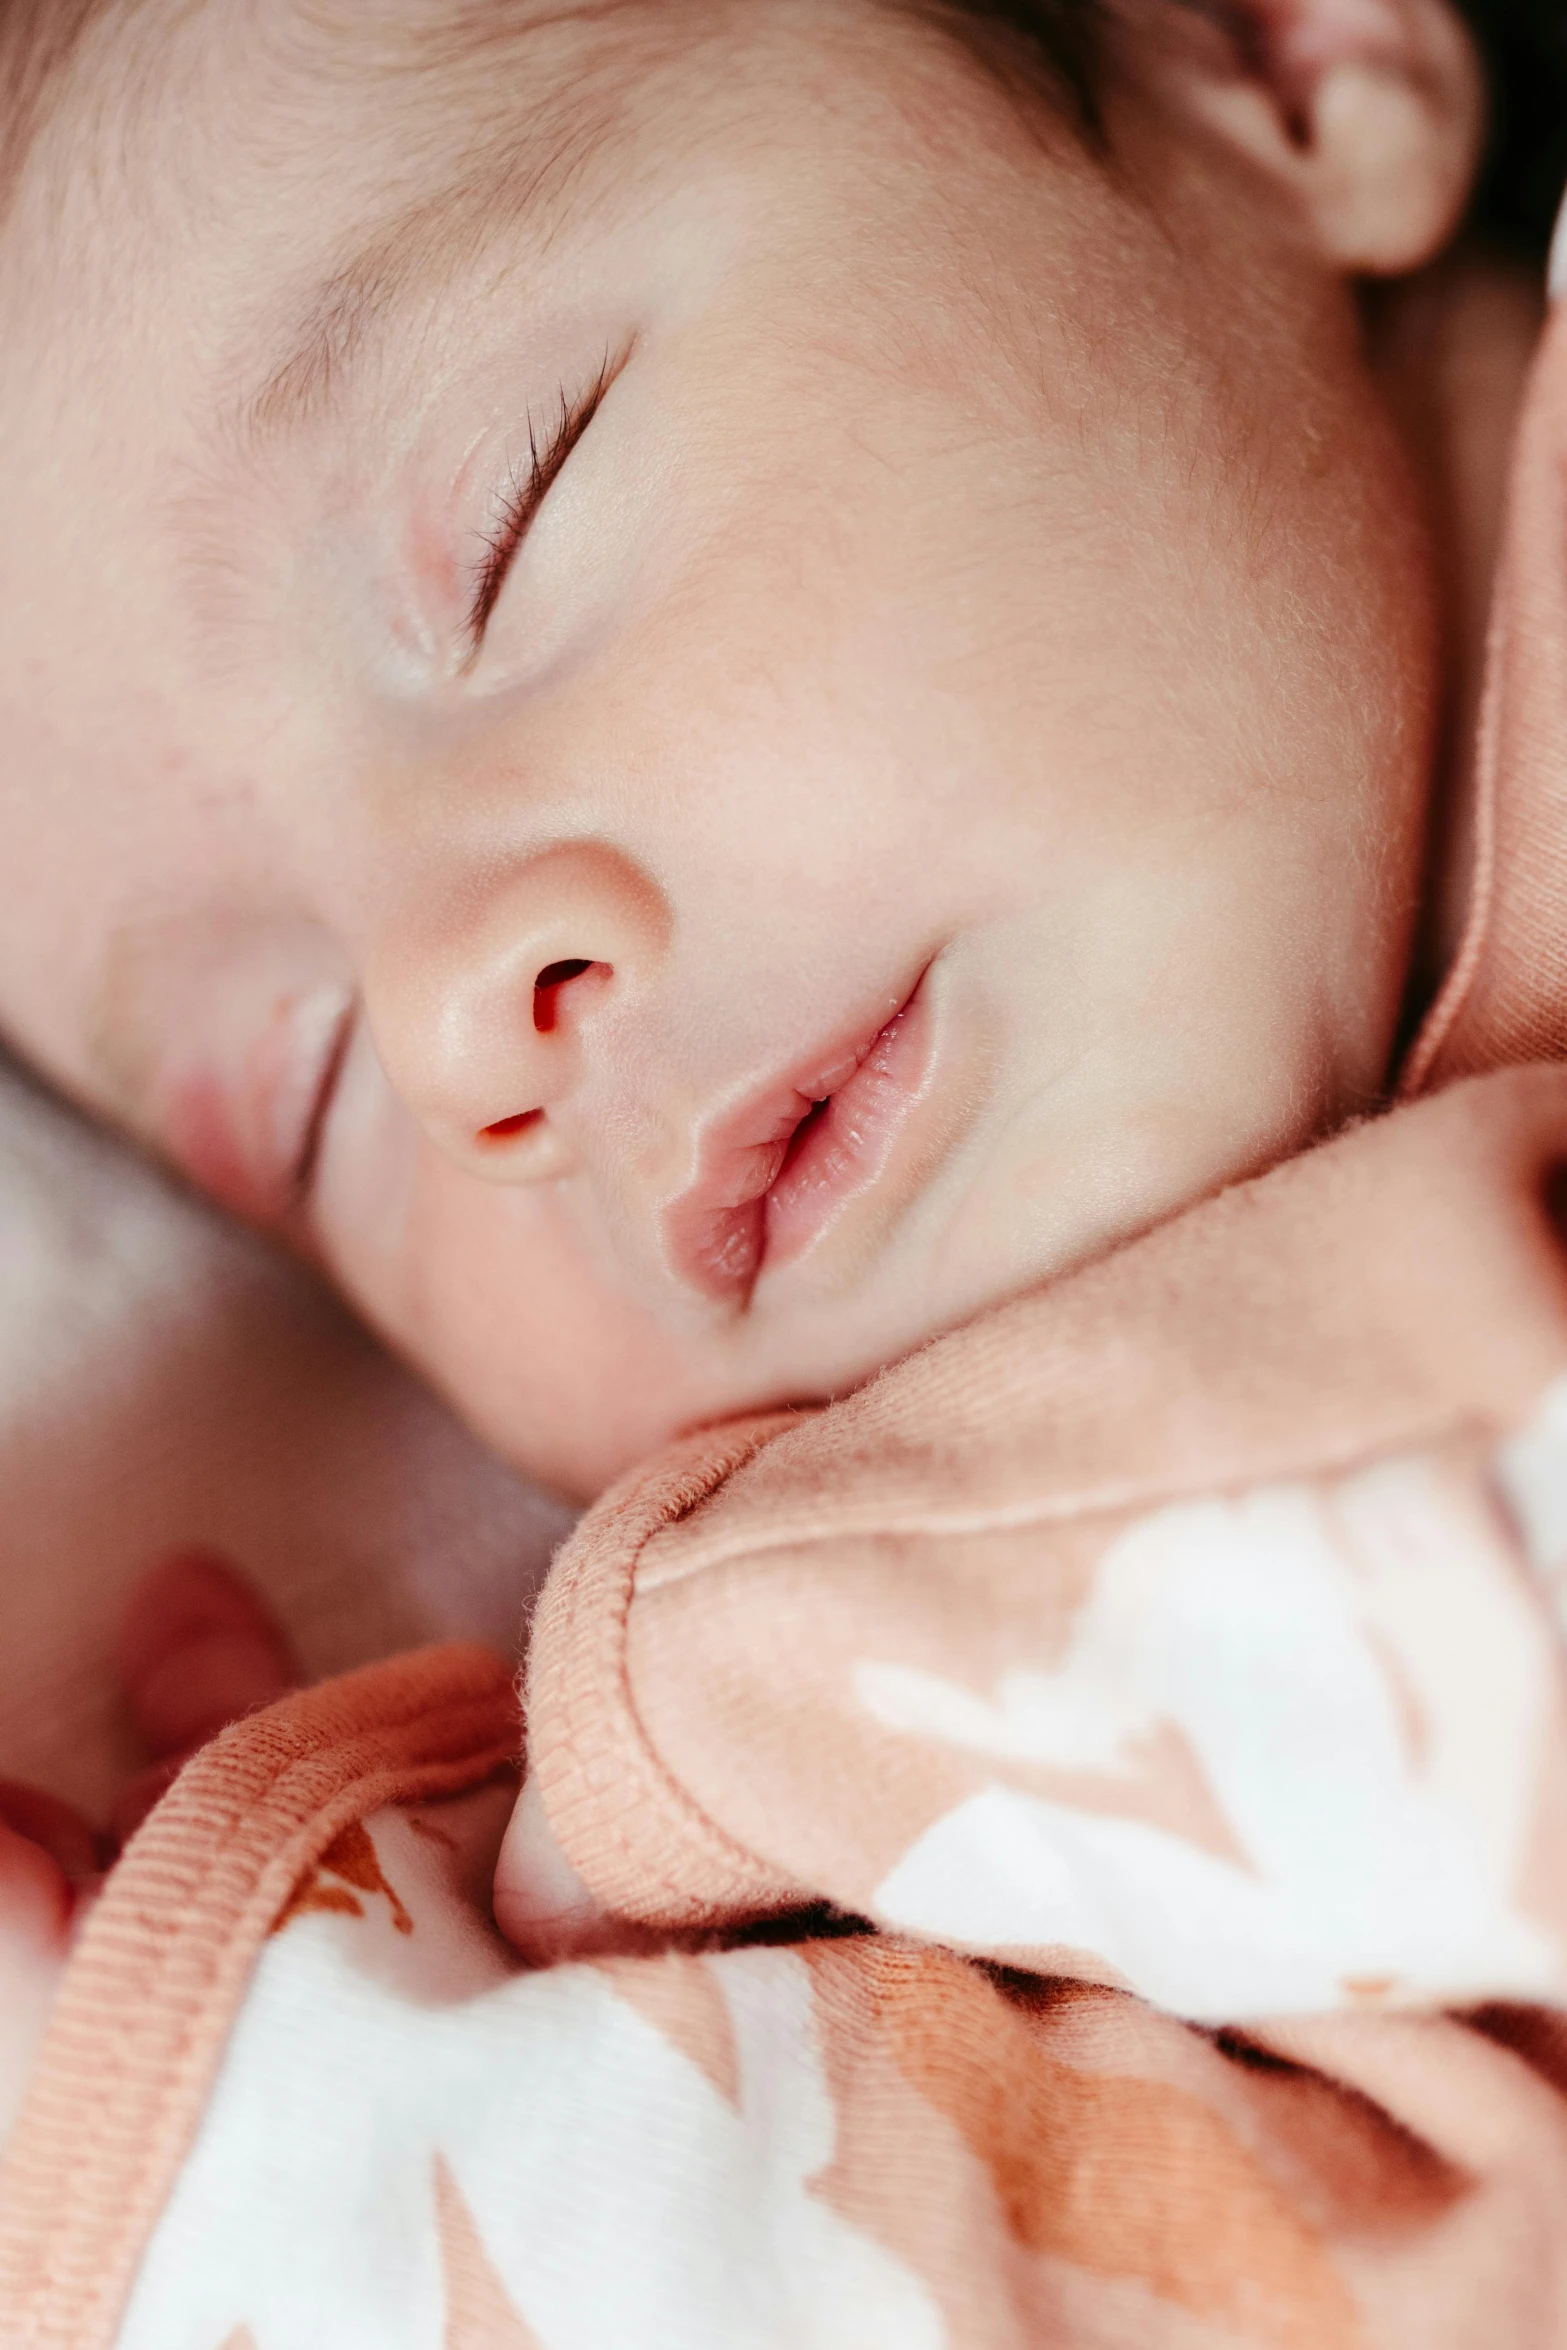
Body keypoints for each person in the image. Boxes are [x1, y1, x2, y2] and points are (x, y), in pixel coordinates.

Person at [6, 0, 1567, 2339]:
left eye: (513, 520)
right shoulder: (896, 1801)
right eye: (303, 1090)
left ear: (1272, 65)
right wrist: (308, 2128)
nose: (455, 1025)